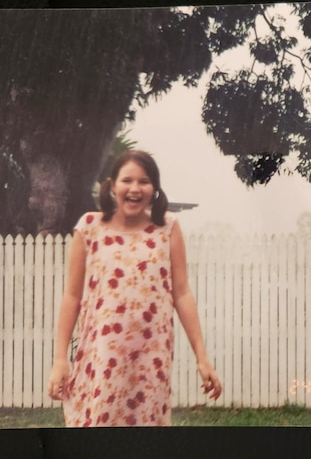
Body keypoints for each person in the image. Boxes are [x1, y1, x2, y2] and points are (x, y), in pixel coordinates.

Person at [47, 149, 222, 426]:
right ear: (112, 185)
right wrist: (59, 360)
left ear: (154, 189)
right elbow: (72, 297)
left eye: (144, 181)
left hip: (150, 364)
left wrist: (202, 358)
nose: (135, 189)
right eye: (127, 180)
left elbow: (182, 293)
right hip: (101, 359)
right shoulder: (90, 227)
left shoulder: (167, 228)